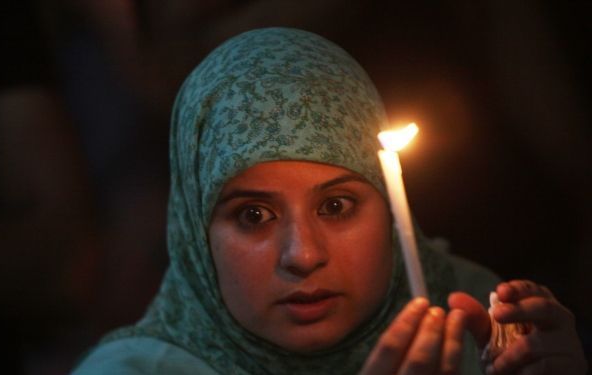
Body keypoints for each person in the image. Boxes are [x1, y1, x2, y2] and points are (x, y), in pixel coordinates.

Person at [71, 28, 587, 375]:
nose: (303, 255)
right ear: (193, 234)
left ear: (389, 208)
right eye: (254, 215)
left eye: (336, 206)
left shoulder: (477, 320)